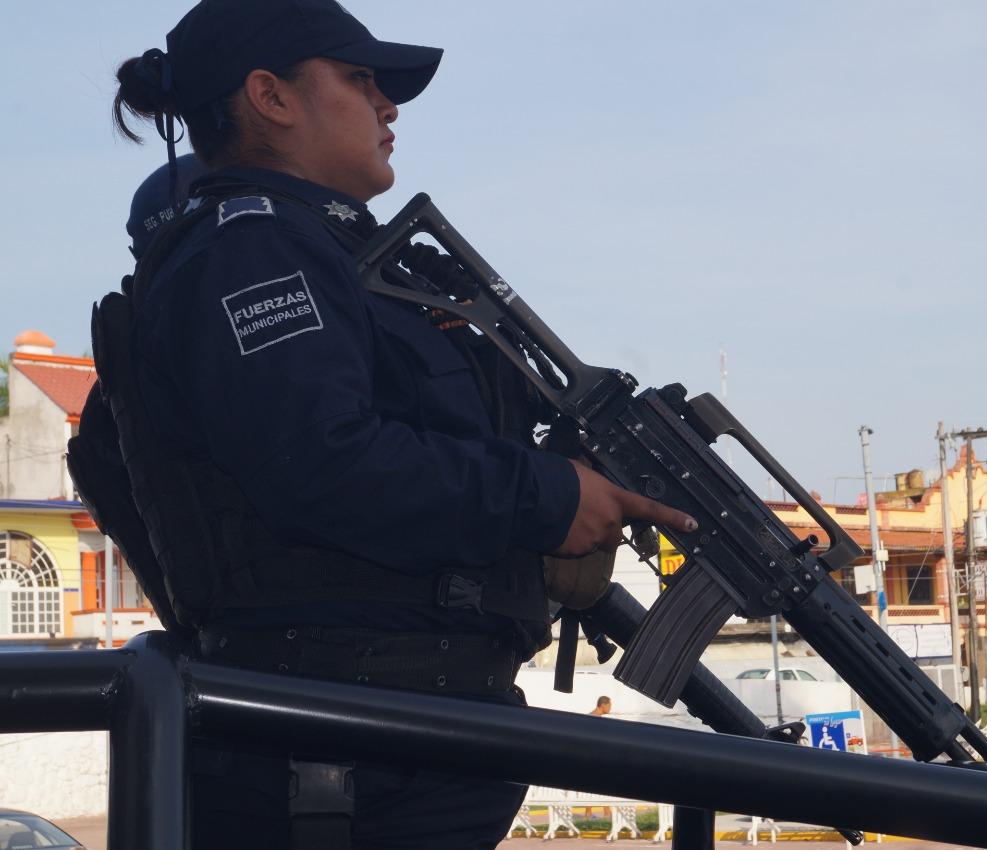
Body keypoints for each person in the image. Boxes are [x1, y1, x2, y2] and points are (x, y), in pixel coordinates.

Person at [108, 1, 696, 848]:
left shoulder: (358, 261)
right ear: (269, 97)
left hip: (395, 743)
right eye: (358, 80)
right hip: (337, 758)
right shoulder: (254, 249)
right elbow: (322, 461)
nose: (388, 106)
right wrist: (542, 495)